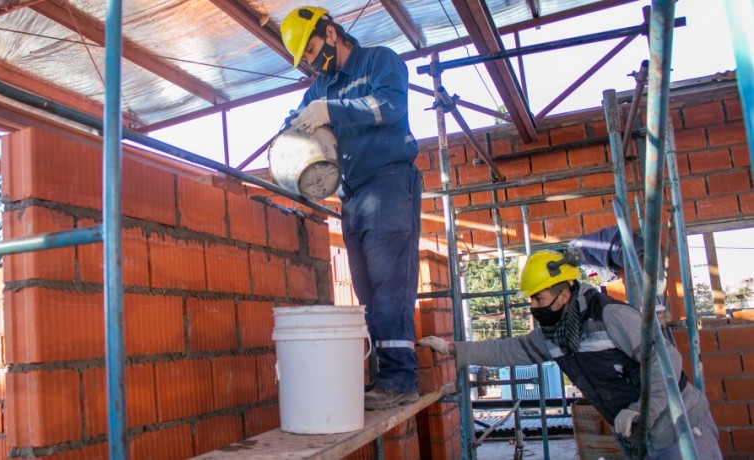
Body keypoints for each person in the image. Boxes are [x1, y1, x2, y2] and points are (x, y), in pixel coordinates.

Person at [419, 249, 721, 459]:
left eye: (539, 298)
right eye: (531, 299)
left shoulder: (612, 316)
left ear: (564, 294)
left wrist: (642, 408)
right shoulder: (557, 334)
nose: (533, 306)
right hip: (639, 435)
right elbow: (510, 349)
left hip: (679, 426)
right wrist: (452, 348)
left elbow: (665, 362)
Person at [280, 6, 421, 411]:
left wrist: (330, 110)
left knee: (390, 286)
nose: (311, 62)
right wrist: (294, 129)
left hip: (390, 182)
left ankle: (399, 380)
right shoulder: (319, 88)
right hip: (353, 192)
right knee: (366, 292)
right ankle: (384, 378)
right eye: (305, 60)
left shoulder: (379, 61)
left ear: (330, 31)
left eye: (310, 50)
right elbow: (295, 122)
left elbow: (389, 107)